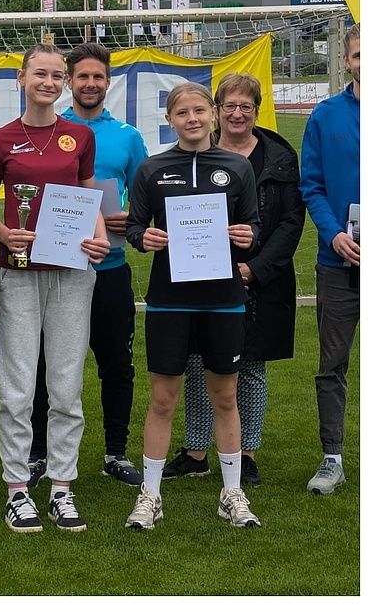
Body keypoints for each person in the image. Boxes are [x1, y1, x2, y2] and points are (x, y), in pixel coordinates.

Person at [124, 81, 262, 530]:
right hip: (170, 301)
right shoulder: (152, 169)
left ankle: (231, 492)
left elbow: (253, 226)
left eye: (200, 110)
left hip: (223, 300)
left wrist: (248, 237)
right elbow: (135, 227)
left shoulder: (236, 168)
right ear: (170, 120)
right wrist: (142, 238)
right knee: (163, 399)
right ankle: (150, 495)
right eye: (182, 113)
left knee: (225, 397)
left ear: (214, 114)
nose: (193, 119)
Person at [0, 43, 110, 535]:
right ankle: (18, 489)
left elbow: (86, 195)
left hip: (71, 272)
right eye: (41, 73)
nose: (50, 82)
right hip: (18, 271)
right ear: (21, 78)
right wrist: (3, 233)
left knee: (66, 385)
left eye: (58, 75)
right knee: (17, 387)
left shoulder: (79, 136)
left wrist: (99, 234)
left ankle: (61, 486)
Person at [162, 73, 305, 487]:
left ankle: (245, 452)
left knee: (252, 367)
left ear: (257, 110)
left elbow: (292, 221)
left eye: (246, 106)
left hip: (262, 280)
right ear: (217, 111)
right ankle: (195, 450)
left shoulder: (279, 155)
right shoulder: (195, 155)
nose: (238, 113)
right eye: (229, 106)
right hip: (200, 279)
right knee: (197, 362)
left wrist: (254, 268)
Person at [27, 42, 148, 489]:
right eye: (82, 77)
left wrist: (130, 219)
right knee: (44, 363)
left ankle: (115, 452)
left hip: (110, 266)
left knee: (116, 363)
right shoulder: (51, 130)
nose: (90, 84)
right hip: (54, 268)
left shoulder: (127, 136)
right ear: (68, 82)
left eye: (98, 77)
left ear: (108, 82)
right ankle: (38, 453)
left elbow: (146, 198)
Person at [301, 22, 360, 495]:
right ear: (347, 59)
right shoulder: (325, 116)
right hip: (338, 262)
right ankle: (332, 457)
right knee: (332, 363)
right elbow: (312, 185)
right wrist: (334, 233)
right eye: (359, 55)